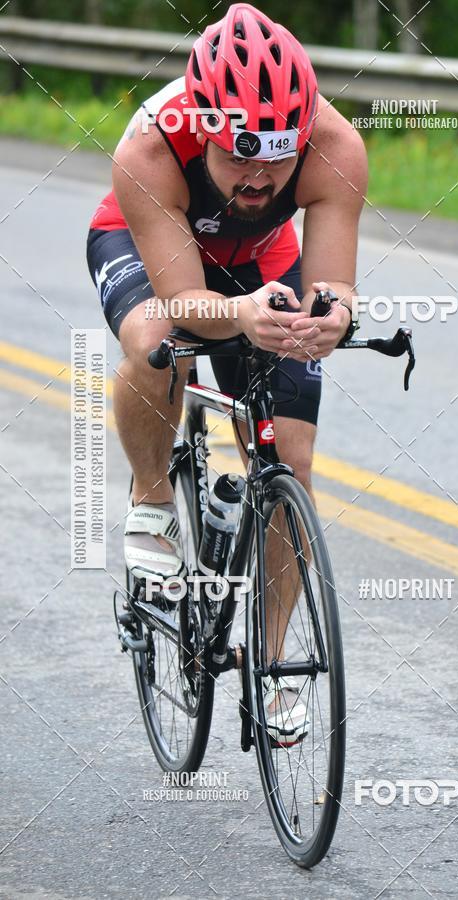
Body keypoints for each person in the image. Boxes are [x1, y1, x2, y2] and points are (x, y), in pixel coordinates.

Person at [86, 2, 366, 744]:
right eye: (241, 153)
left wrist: (332, 317)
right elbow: (183, 301)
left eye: (278, 155)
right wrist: (240, 316)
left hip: (259, 260)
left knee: (290, 460)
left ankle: (269, 661)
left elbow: (335, 286)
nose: (260, 176)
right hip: (153, 249)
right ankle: (153, 498)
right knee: (157, 339)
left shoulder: (337, 146)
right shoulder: (151, 149)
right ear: (205, 127)